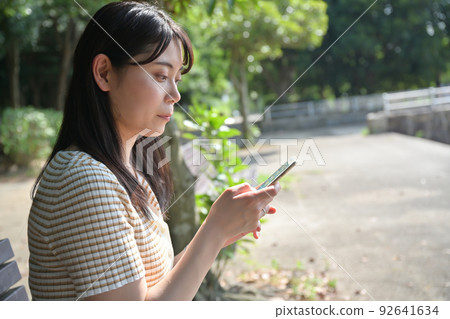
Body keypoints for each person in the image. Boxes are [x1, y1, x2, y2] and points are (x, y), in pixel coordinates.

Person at [27, 1, 280, 301]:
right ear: (104, 73)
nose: (175, 95)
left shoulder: (127, 167)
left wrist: (218, 233)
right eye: (160, 76)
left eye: (176, 79)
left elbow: (150, 285)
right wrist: (212, 233)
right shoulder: (84, 180)